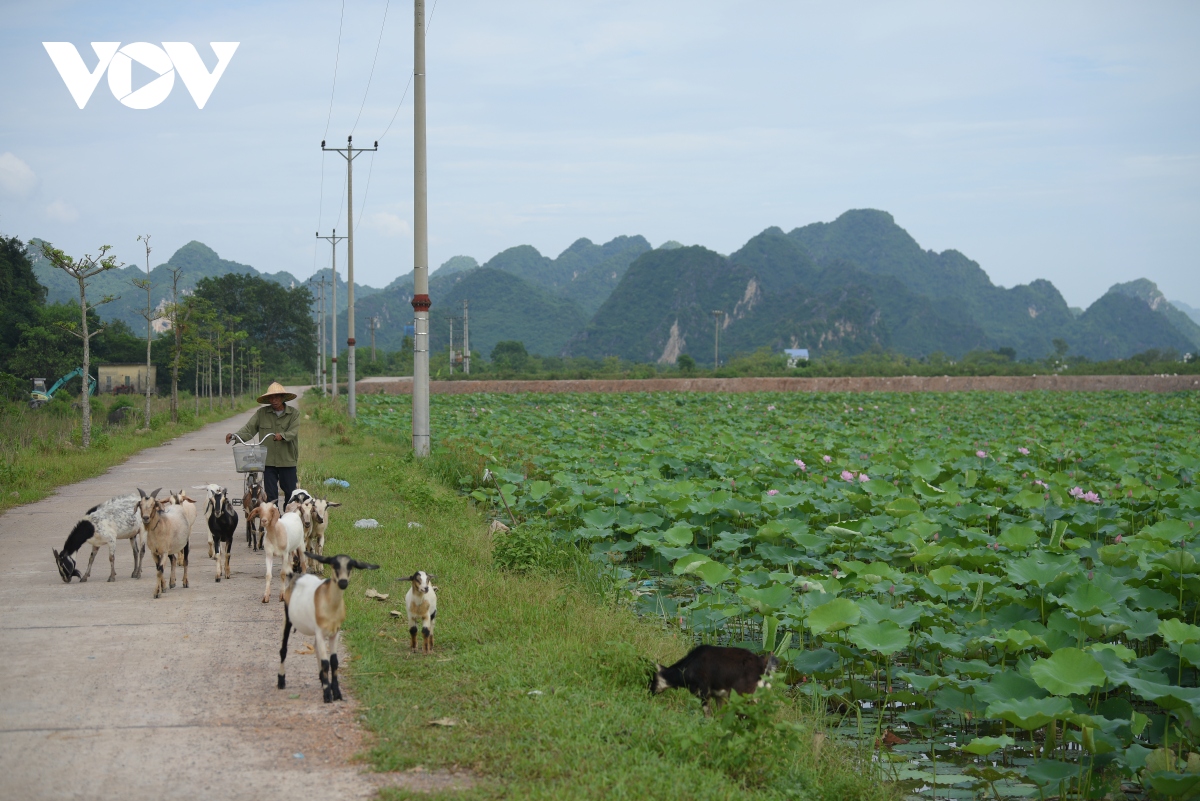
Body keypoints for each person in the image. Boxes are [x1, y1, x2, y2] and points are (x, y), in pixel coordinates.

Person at [226, 382, 300, 510]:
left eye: (277, 397)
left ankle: (289, 517)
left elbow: (293, 432)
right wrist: (235, 436)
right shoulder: (262, 413)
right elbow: (249, 429)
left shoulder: (293, 414)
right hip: (268, 460)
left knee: (291, 492)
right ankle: (273, 519)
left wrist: (282, 435)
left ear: (283, 397)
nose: (274, 400)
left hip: (287, 460)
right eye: (271, 397)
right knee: (271, 495)